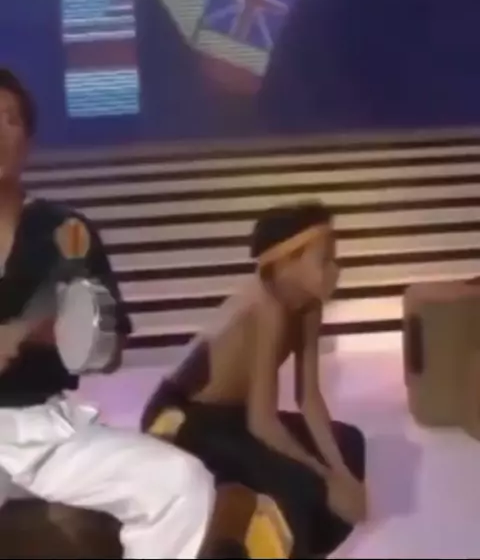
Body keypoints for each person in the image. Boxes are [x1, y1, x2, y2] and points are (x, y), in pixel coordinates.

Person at [0, 68, 215, 559]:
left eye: (10, 119)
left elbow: (111, 350)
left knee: (179, 482)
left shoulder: (67, 232)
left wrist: (42, 332)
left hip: (47, 430)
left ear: (28, 140)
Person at [141, 200, 367, 558]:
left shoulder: (309, 307)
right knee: (302, 486)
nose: (336, 270)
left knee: (350, 442)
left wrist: (340, 471)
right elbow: (262, 422)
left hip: (234, 417)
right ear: (286, 263)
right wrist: (326, 476)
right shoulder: (267, 309)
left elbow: (309, 399)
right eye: (325, 260)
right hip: (185, 417)